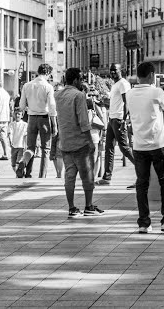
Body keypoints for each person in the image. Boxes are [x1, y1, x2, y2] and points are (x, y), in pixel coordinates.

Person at [126, 61, 164, 234]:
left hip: (139, 145)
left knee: (142, 184)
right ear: (151, 75)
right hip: (158, 144)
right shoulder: (157, 92)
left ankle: (144, 223)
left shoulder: (129, 94)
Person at [55, 68, 103, 217]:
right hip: (80, 142)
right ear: (75, 80)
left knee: (69, 176)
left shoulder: (58, 95)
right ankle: (88, 206)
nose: (82, 82)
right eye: (81, 79)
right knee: (87, 175)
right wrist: (90, 141)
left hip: (65, 142)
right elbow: (83, 122)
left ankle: (72, 208)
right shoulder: (78, 95)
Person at [98, 64, 135, 186]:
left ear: (121, 71)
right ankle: (107, 177)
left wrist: (125, 120)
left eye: (115, 70)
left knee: (124, 149)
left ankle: (143, 170)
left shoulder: (123, 83)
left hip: (119, 120)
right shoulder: (115, 85)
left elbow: (127, 102)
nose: (113, 72)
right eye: (111, 70)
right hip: (112, 119)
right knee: (109, 149)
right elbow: (116, 102)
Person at [17, 64, 56, 178]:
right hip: (44, 118)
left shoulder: (27, 85)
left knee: (30, 148)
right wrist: (54, 125)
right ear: (48, 73)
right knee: (45, 149)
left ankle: (24, 165)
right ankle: (42, 176)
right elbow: (52, 107)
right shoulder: (48, 87)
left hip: (31, 118)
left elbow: (22, 105)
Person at [9, 108, 27, 175]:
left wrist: (25, 145)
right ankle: (19, 173)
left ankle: (19, 173)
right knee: (13, 164)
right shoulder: (11, 124)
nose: (17, 115)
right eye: (16, 114)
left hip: (21, 145)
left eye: (19, 114)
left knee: (18, 161)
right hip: (14, 146)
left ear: (22, 115)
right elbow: (10, 133)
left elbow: (25, 135)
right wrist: (10, 141)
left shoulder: (25, 124)